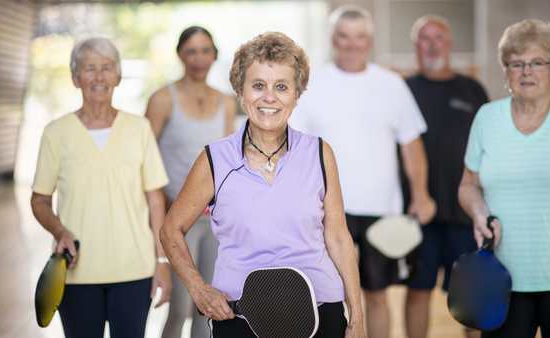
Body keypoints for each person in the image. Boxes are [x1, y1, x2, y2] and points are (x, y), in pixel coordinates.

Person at [160, 31, 366, 338]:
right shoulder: (215, 159)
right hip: (240, 317)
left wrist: (357, 318)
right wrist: (200, 290)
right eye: (258, 85)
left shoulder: (320, 154)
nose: (269, 97)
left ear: (297, 95)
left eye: (281, 86)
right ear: (240, 94)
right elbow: (171, 229)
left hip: (321, 312)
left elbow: (337, 237)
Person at [289, 6, 436, 338]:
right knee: (326, 295)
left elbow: (411, 146)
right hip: (325, 208)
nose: (351, 44)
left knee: (376, 294)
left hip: (380, 208)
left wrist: (422, 194)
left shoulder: (391, 84)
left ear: (369, 40)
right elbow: (296, 148)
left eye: (359, 37)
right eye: (344, 36)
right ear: (332, 39)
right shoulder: (311, 86)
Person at [458, 19, 550, 338]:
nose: (527, 71)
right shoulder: (487, 118)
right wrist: (479, 213)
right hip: (499, 277)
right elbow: (468, 185)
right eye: (516, 63)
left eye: (537, 62)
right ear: (505, 73)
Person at [30, 35, 171, 338]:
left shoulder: (139, 128)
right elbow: (39, 200)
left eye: (106, 68)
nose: (99, 76)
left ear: (118, 77)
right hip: (77, 274)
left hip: (136, 271)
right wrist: (60, 231)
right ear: (74, 78)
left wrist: (162, 262)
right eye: (89, 68)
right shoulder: (56, 133)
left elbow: (155, 201)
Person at [145, 26, 236, 338]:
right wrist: (164, 203)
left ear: (214, 55)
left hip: (213, 219)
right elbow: (143, 160)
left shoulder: (226, 101)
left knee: (207, 307)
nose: (199, 58)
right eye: (192, 51)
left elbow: (226, 159)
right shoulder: (161, 99)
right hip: (177, 219)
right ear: (181, 55)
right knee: (181, 307)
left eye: (205, 50)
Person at [403, 15, 488, 338]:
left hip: (465, 213)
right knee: (418, 289)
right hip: (418, 213)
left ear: (450, 44)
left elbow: (488, 147)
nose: (432, 44)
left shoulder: (472, 89)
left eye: (439, 37)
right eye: (425, 38)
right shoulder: (404, 90)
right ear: (416, 46)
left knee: (472, 296)